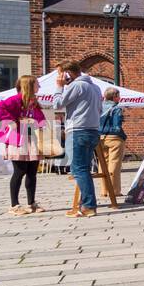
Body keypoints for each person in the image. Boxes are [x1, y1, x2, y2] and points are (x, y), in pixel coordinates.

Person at [54, 61, 105, 217]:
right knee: (84, 169)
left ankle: (89, 206)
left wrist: (59, 87)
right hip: (92, 130)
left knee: (79, 170)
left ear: (68, 73)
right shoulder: (95, 87)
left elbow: (57, 104)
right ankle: (84, 205)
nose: (60, 77)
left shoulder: (76, 86)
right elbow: (99, 109)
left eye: (60, 73)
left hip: (78, 130)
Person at [0, 75, 46, 215]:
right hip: (17, 138)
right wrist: (11, 120)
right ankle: (14, 205)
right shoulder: (15, 99)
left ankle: (31, 203)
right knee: (19, 172)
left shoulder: (33, 102)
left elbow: (41, 119)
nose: (39, 86)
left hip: (32, 139)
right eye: (37, 84)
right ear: (29, 85)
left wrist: (36, 122)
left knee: (32, 172)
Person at [98, 86, 127, 199]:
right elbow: (117, 126)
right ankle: (114, 191)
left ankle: (104, 190)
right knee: (114, 163)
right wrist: (121, 135)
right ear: (114, 97)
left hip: (100, 137)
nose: (119, 97)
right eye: (118, 95)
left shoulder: (99, 107)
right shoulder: (116, 108)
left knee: (103, 164)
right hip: (114, 138)